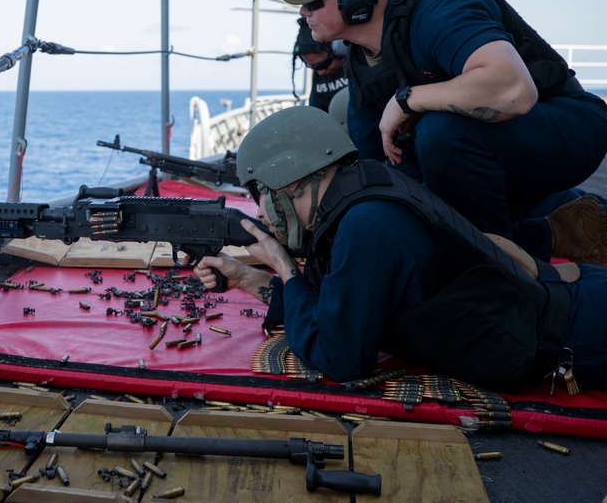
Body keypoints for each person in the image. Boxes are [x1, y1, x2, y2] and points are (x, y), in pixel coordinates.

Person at [194, 106, 607, 391]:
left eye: (259, 194)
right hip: (572, 304)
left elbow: (341, 359)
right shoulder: (359, 198)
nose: (261, 212)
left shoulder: (364, 227)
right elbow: (333, 306)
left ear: (284, 184)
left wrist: (285, 267)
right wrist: (250, 278)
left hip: (580, 331)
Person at [275, 0, 607, 265]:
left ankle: (494, 270)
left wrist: (407, 100)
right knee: (402, 183)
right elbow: (370, 165)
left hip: (571, 126)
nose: (303, 11)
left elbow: (514, 90)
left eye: (315, 0)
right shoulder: (361, 63)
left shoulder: (437, 11)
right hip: (507, 153)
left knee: (442, 131)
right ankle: (563, 224)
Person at [293, 17, 348, 112]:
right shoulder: (319, 80)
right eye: (313, 67)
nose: (320, 72)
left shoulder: (358, 69)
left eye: (323, 65)